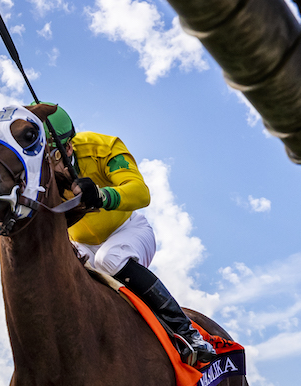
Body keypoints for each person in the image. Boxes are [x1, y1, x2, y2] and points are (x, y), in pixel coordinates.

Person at [42, 105, 217, 365]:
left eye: (53, 156)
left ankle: (187, 332)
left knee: (108, 260)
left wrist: (103, 195)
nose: (47, 167)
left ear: (68, 148)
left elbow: (141, 193)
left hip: (128, 230)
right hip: (81, 244)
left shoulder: (103, 147)